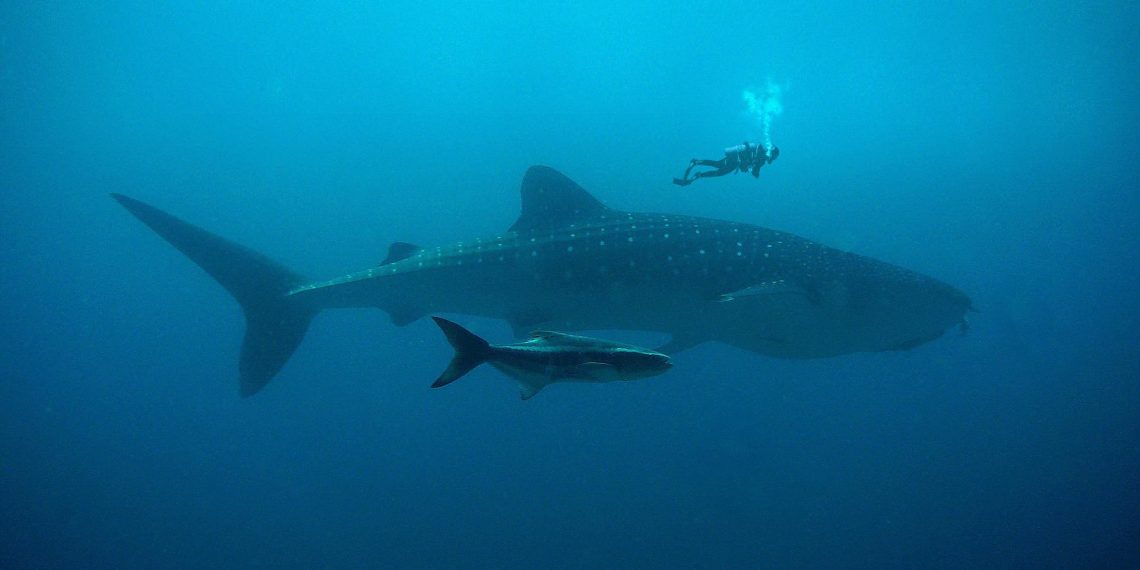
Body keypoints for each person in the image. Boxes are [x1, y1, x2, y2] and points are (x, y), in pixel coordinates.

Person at [673, 141, 779, 186]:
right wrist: (752, 170)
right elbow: (750, 163)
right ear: (771, 153)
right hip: (734, 160)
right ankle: (697, 167)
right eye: (773, 157)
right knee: (718, 169)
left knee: (717, 167)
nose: (771, 159)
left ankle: (697, 167)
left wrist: (755, 172)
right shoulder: (759, 151)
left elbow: (755, 170)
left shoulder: (761, 160)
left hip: (735, 163)